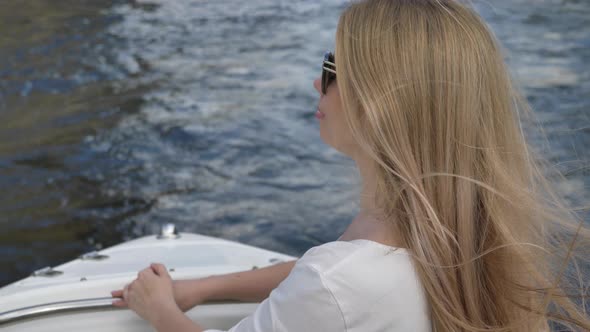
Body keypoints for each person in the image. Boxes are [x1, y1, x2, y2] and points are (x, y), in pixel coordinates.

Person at [111, 0, 590, 331]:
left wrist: (159, 311)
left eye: (332, 70)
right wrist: (205, 289)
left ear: (381, 105)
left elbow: (331, 283)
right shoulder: (455, 228)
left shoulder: (341, 279)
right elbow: (329, 273)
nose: (316, 86)